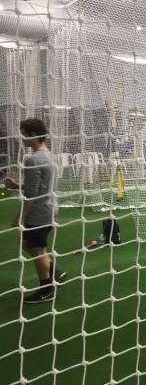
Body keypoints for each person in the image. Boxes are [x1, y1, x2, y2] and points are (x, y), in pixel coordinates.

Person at [4, 118, 66, 304]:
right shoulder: (48, 155)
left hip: (39, 213)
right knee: (30, 246)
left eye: (23, 134)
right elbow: (39, 186)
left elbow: (31, 194)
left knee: (37, 250)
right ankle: (55, 272)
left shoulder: (33, 160)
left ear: (32, 135)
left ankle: (47, 290)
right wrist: (16, 185)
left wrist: (19, 218)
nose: (21, 138)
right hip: (50, 210)